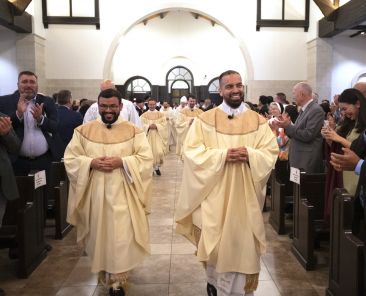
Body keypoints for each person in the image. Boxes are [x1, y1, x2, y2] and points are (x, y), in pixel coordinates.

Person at [175, 70, 278, 296]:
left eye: (239, 85)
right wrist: (222, 156)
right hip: (214, 194)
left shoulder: (258, 121)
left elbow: (270, 152)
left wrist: (250, 154)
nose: (235, 90)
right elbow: (191, 152)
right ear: (220, 90)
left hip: (245, 197)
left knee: (242, 243)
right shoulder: (205, 120)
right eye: (229, 86)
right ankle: (214, 284)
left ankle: (239, 292)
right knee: (217, 241)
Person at [64, 89, 153, 296]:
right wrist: (91, 162)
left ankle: (118, 281)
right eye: (104, 106)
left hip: (125, 193)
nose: (109, 110)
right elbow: (70, 159)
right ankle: (106, 273)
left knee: (121, 236)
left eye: (113, 106)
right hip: (95, 195)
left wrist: (123, 162)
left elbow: (146, 159)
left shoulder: (133, 131)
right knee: (99, 236)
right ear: (98, 106)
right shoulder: (83, 131)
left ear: (121, 107)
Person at [0, 70, 63, 175]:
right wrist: (18, 114)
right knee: (21, 190)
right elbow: (4, 128)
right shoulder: (5, 102)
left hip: (44, 160)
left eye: (32, 82)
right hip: (16, 161)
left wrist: (41, 119)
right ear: (18, 84)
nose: (29, 85)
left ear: (37, 85)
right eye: (24, 82)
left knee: (45, 191)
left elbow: (55, 127)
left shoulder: (47, 101)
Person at [275, 82, 325, 173]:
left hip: (306, 161)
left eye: (294, 93)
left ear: (302, 94)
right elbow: (297, 132)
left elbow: (308, 135)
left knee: (304, 187)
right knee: (296, 187)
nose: (293, 96)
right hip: (298, 159)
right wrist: (285, 125)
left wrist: (288, 126)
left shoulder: (315, 110)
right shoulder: (305, 109)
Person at [140, 97, 168, 175]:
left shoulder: (161, 115)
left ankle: (157, 167)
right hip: (148, 136)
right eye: (150, 104)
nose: (152, 106)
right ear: (148, 105)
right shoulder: (144, 115)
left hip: (158, 135)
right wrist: (148, 126)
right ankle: (151, 169)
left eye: (153, 104)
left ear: (156, 104)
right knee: (149, 152)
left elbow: (164, 125)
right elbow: (141, 125)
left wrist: (157, 126)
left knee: (159, 152)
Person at [56, 90, 83, 155]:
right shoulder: (76, 115)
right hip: (71, 151)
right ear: (70, 100)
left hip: (54, 151)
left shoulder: (51, 114)